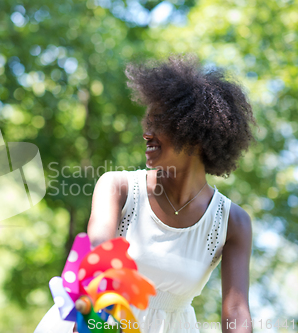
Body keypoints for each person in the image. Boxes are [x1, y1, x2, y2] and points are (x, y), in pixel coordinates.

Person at [86, 55, 254, 332]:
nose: (146, 133)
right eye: (147, 122)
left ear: (196, 132)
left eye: (159, 123)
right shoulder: (117, 187)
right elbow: (97, 259)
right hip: (100, 322)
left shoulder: (233, 222)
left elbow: (236, 311)